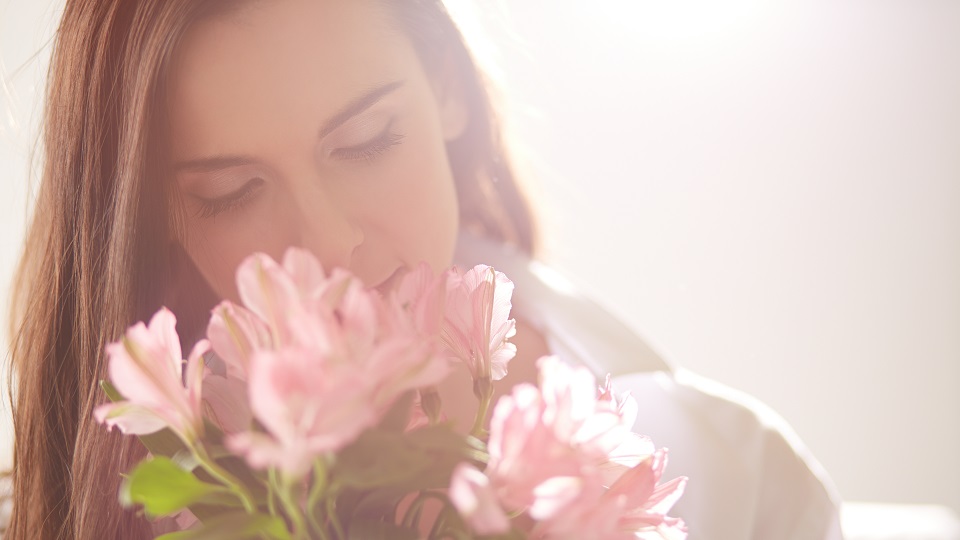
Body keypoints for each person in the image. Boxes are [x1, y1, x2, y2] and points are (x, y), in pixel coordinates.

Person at [4, 0, 841, 538]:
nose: (330, 247)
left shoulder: (744, 480)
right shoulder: (99, 494)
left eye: (367, 142)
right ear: (150, 219)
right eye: (230, 192)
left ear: (445, 84)